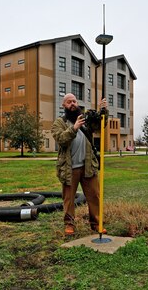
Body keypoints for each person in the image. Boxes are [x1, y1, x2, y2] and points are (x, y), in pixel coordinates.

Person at [51, 93, 108, 235]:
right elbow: (61, 139)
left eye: (74, 101)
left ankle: (96, 223)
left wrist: (103, 111)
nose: (72, 104)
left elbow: (99, 125)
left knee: (94, 195)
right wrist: (74, 128)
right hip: (69, 168)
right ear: (64, 105)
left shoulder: (85, 120)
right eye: (69, 102)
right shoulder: (60, 122)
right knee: (69, 199)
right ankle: (69, 224)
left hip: (88, 165)